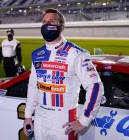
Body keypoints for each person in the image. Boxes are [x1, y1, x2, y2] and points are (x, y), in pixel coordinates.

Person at [23, 8, 104, 140]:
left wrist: (84, 120)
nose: (47, 24)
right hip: (40, 118)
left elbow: (95, 86)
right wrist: (27, 116)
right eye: (44, 21)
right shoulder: (37, 54)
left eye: (52, 21)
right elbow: (33, 86)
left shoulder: (76, 53)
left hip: (64, 120)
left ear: (61, 26)